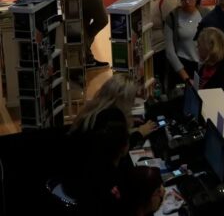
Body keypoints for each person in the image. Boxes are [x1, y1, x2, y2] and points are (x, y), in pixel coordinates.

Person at [65, 74, 156, 214]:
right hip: (90, 191)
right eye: (131, 100)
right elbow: (118, 151)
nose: (132, 105)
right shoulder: (107, 126)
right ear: (122, 100)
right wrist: (138, 133)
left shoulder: (93, 112)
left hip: (75, 180)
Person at [164, 0, 208, 86]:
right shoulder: (172, 17)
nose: (187, 2)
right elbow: (170, 52)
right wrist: (186, 78)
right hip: (183, 67)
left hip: (203, 66)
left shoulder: (205, 14)